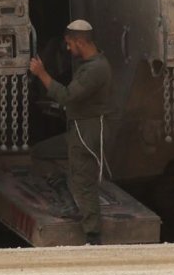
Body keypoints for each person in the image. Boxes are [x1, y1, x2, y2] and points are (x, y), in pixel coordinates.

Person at [28, 19, 113, 245]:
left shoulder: (95, 69)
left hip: (87, 131)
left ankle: (93, 236)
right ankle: (67, 197)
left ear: (80, 42)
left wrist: (42, 73)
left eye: (69, 44)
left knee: (84, 183)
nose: (67, 48)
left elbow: (67, 96)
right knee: (42, 153)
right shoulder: (90, 65)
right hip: (80, 128)